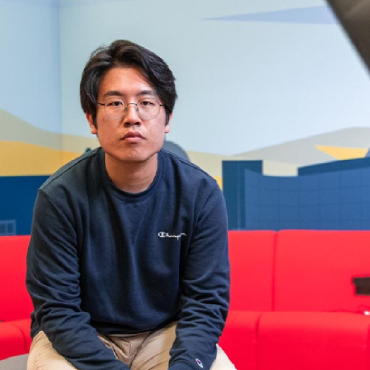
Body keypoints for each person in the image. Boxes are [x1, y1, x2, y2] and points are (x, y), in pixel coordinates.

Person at [26, 40, 235, 370]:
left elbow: (205, 302)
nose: (132, 117)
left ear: (166, 118)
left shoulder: (200, 193)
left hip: (163, 333)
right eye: (115, 103)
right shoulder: (60, 197)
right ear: (92, 120)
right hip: (82, 335)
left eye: (146, 102)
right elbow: (58, 310)